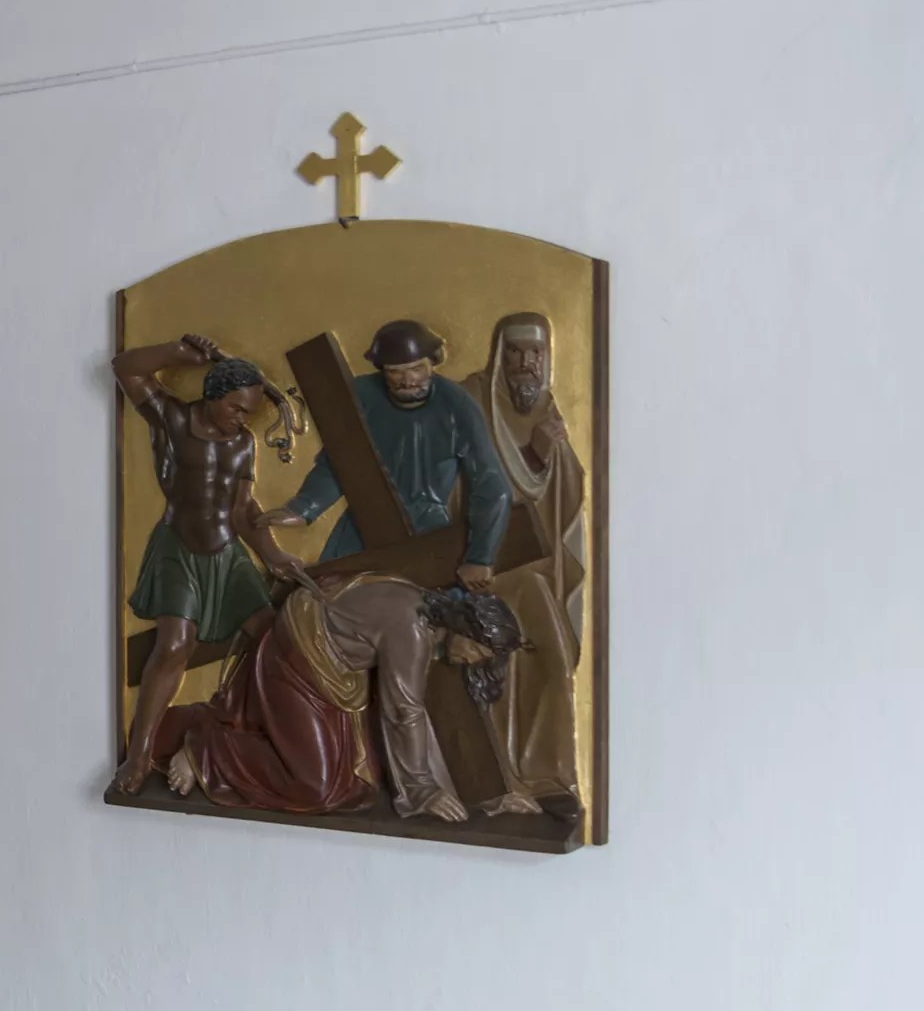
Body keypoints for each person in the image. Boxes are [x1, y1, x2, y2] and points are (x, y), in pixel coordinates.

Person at [111, 334, 310, 793]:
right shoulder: (172, 417)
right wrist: (180, 354)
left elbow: (242, 510)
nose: (243, 418)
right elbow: (126, 368)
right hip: (179, 547)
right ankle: (139, 756)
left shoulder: (242, 444)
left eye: (250, 412)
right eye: (237, 408)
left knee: (274, 637)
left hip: (226, 552)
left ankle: (251, 738)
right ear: (212, 395)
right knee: (175, 645)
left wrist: (273, 555)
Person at [161, 580, 528, 824]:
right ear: (465, 627)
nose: (474, 660)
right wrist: (422, 791)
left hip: (332, 677)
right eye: (479, 651)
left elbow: (415, 714)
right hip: (296, 662)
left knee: (357, 783)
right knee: (317, 788)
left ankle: (211, 731)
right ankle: (205, 749)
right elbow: (404, 712)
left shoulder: (425, 612)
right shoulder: (413, 630)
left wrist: (486, 798)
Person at [266, 319, 508, 590]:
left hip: (425, 528)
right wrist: (304, 507)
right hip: (362, 521)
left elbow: (489, 482)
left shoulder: (456, 405)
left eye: (416, 369)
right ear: (382, 369)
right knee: (325, 596)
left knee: (429, 604)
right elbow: (337, 462)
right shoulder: (360, 396)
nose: (408, 381)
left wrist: (480, 557)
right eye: (395, 372)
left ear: (433, 362)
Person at [470, 311, 585, 809]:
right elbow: (473, 488)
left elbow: (569, 494)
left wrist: (553, 456)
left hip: (533, 569)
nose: (525, 363)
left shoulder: (548, 408)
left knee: (551, 662)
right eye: (514, 351)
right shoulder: (474, 403)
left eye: (535, 353)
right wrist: (536, 455)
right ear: (499, 355)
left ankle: (548, 776)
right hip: (483, 568)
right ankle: (503, 779)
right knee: (500, 666)